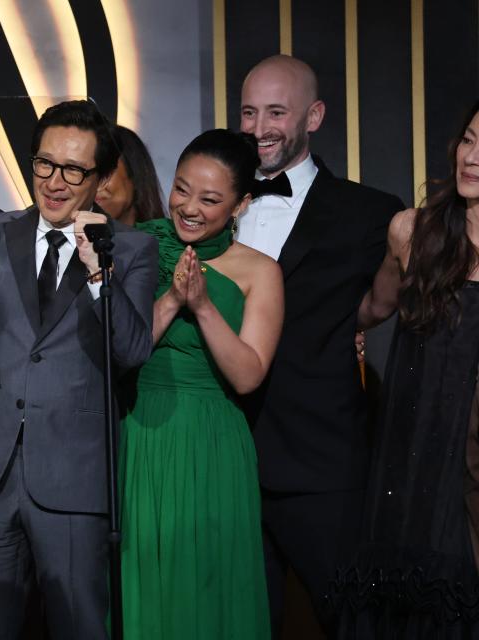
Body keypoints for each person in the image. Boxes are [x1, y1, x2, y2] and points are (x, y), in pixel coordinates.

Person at [0, 100, 157, 640]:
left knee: (77, 627)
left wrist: (98, 275)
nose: (55, 181)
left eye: (73, 170)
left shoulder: (132, 249)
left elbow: (134, 351)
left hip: (73, 480)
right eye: (44, 164)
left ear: (102, 176)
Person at [235, 54, 405, 634]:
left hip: (320, 462)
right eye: (249, 112)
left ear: (315, 115)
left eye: (276, 112)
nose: (259, 128)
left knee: (351, 622)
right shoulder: (205, 205)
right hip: (223, 459)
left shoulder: (370, 213)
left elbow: (379, 307)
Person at [120, 129, 281, 638]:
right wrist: (170, 300)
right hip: (140, 433)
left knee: (209, 585)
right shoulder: (137, 245)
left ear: (241, 204)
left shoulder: (261, 272)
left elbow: (248, 374)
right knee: (143, 578)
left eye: (210, 199)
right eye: (182, 188)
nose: (189, 207)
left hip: (214, 445)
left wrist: (204, 305)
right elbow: (118, 354)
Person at [330, 101, 479, 637]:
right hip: (413, 444)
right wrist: (350, 334)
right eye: (467, 139)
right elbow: (374, 306)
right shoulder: (411, 231)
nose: (471, 157)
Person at [95, 124, 165, 224]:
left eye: (104, 172)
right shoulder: (71, 236)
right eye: (85, 174)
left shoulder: (164, 237)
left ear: (135, 172)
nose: (93, 184)